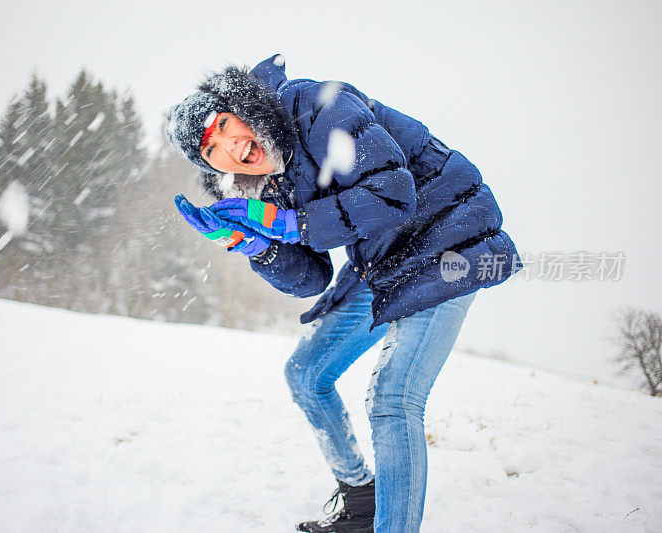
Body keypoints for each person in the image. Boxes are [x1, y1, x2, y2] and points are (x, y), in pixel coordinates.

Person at [165, 54, 521, 532]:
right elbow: (311, 277)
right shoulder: (262, 183)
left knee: (393, 398)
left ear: (244, 108)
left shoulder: (316, 106)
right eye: (211, 150)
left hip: (447, 239)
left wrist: (292, 223)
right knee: (307, 373)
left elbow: (393, 194)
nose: (230, 144)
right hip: (380, 260)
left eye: (225, 123)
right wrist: (255, 243)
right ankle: (362, 504)